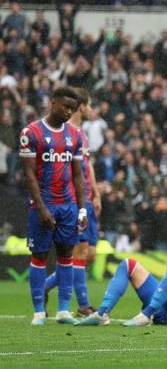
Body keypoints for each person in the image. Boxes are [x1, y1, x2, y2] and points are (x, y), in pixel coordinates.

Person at [19, 86, 87, 325]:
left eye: (73, 108)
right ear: (53, 102)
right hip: (43, 204)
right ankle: (39, 312)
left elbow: (78, 175)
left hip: (68, 205)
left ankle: (64, 311)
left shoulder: (75, 135)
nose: (69, 112)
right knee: (39, 255)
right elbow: (29, 175)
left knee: (66, 255)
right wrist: (41, 208)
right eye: (65, 106)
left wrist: (82, 208)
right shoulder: (32, 132)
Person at [44, 89, 102, 316]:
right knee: (79, 253)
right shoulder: (65, 134)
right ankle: (84, 306)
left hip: (88, 197)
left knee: (90, 255)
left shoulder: (82, 135)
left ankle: (46, 285)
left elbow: (88, 166)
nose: (91, 110)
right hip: (76, 199)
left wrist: (96, 194)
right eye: (89, 106)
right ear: (82, 107)